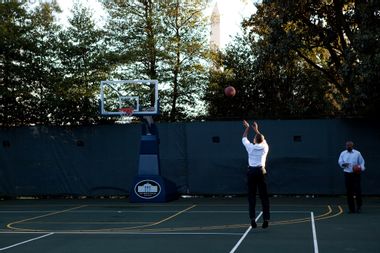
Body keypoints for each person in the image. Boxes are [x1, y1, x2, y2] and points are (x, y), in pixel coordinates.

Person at [242, 120, 270, 228]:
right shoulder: (265, 147)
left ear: (254, 140)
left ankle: (253, 219)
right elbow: (261, 138)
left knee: (251, 197)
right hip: (261, 172)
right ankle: (266, 219)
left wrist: (247, 128)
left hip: (252, 172)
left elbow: (244, 138)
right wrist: (256, 129)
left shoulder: (250, 147)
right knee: (264, 197)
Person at [338, 141, 366, 213]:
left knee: (357, 191)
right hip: (347, 174)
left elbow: (362, 162)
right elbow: (340, 162)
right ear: (346, 146)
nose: (348, 147)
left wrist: (361, 168)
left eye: (350, 146)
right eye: (347, 146)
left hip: (356, 174)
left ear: (352, 146)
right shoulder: (343, 153)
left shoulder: (357, 153)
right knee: (349, 192)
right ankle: (351, 209)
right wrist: (344, 164)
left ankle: (359, 207)